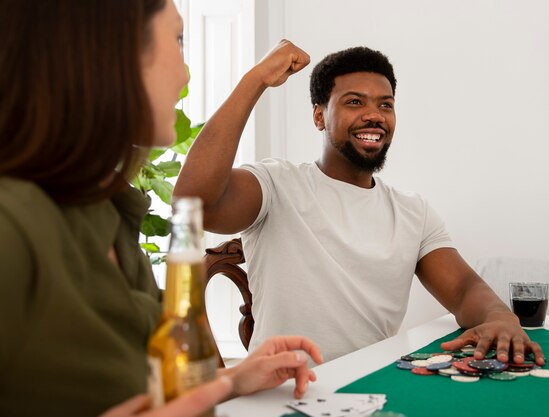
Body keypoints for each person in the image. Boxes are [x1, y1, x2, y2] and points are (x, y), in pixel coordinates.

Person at [0, 1, 322, 416]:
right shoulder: (13, 225)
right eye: (177, 39)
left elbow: (147, 388)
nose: (187, 73)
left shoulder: (107, 212)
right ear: (107, 51)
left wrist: (235, 379)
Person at [174, 40, 546, 365]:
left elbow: (464, 289)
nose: (374, 115)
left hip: (372, 391)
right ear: (319, 116)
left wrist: (499, 317)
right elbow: (193, 205)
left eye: (386, 105)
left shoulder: (413, 211)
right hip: (281, 394)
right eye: (355, 102)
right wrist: (255, 79)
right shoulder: (276, 185)